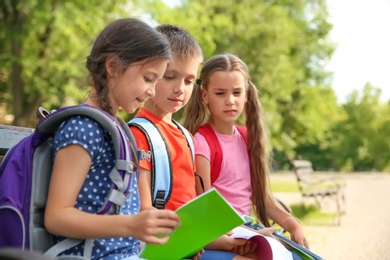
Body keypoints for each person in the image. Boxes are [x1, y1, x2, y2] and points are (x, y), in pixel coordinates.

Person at [44, 18, 181, 260]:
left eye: (157, 82)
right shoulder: (82, 129)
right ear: (113, 66)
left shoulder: (118, 131)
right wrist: (130, 226)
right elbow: (57, 217)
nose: (152, 91)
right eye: (148, 78)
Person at [130, 25, 263, 260]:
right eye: (170, 77)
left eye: (189, 80)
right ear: (150, 73)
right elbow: (144, 211)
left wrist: (231, 241)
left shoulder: (186, 138)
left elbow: (194, 212)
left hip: (192, 245)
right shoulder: (141, 134)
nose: (180, 89)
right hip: (161, 250)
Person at [182, 53, 310, 258]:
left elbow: (263, 198)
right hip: (219, 235)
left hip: (248, 230)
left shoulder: (246, 137)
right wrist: (255, 234)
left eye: (236, 92)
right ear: (205, 96)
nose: (230, 101)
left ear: (246, 94)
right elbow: (205, 210)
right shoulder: (202, 142)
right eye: (220, 93)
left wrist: (293, 225)